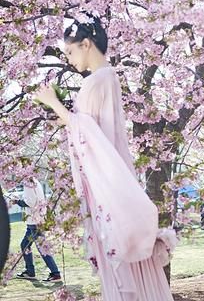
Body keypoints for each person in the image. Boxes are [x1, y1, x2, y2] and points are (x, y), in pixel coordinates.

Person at [35, 15, 174, 300]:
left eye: (71, 51)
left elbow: (86, 132)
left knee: (119, 258)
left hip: (108, 182)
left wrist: (54, 104)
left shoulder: (96, 81)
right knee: (131, 261)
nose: (70, 60)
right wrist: (66, 119)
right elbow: (93, 130)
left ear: (86, 44)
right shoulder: (108, 77)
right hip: (115, 175)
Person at [14, 178, 61, 282]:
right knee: (25, 245)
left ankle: (55, 273)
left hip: (34, 221)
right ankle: (30, 272)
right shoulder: (35, 182)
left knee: (42, 249)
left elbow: (30, 202)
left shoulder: (28, 183)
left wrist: (17, 202)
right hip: (35, 220)